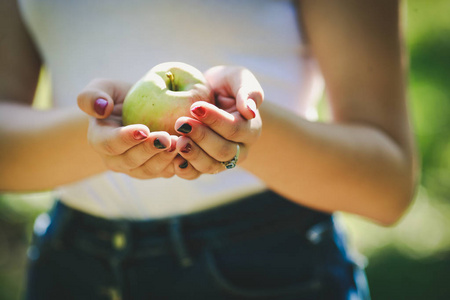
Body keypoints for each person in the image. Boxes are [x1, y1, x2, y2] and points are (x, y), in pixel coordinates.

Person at [0, 0, 417, 299]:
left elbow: (388, 187)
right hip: (73, 265)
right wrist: (114, 130)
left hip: (266, 264)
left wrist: (238, 123)